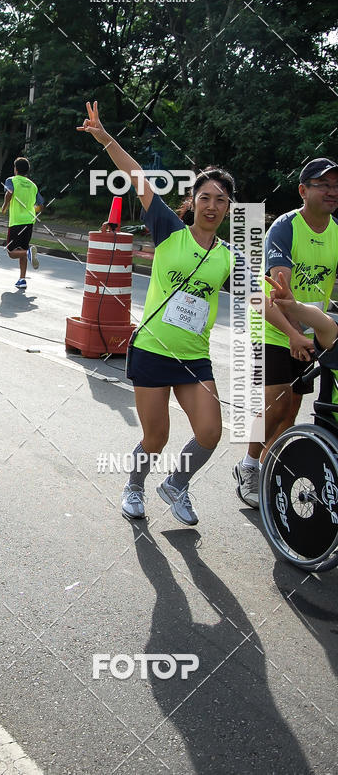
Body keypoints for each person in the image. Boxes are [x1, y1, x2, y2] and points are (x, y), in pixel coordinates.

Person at [77, 100, 303, 526]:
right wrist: (105, 138)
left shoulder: (229, 257)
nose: (212, 205)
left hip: (194, 358)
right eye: (205, 198)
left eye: (221, 200)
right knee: (156, 437)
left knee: (210, 432)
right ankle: (134, 486)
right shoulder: (169, 230)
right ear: (193, 202)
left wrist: (292, 333)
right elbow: (137, 176)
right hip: (153, 350)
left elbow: (260, 300)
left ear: (229, 208)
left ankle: (176, 484)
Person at [232, 157, 338, 508]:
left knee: (292, 409)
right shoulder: (285, 227)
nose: (332, 191)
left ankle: (268, 469)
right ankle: (248, 466)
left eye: (336, 186)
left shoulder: (337, 231)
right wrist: (293, 334)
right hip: (274, 326)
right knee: (276, 403)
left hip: (309, 329)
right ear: (303, 190)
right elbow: (279, 292)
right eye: (324, 185)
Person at [266, 270, 338, 425]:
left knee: (290, 409)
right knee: (278, 408)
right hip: (273, 337)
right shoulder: (333, 336)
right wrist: (294, 307)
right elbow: (323, 322)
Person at [1, 157, 44, 289]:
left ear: (15, 169)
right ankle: (22, 279)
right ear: (27, 170)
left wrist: (4, 206)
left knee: (11, 252)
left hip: (16, 222)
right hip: (29, 222)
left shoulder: (11, 180)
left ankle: (29, 253)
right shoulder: (33, 185)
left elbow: (9, 193)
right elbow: (41, 205)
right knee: (22, 249)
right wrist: (31, 211)